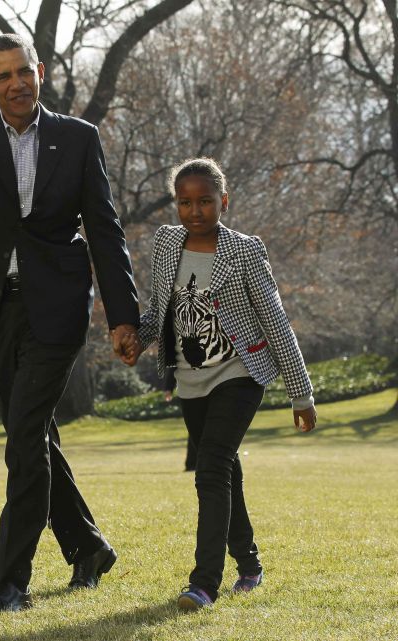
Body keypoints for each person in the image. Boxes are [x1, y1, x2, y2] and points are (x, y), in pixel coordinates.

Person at [0, 35, 141, 615]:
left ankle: (11, 582)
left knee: (23, 440)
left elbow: (105, 229)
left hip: (57, 306)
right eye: (1, 75)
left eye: (23, 72)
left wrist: (123, 315)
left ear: (39, 71)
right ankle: (88, 547)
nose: (15, 84)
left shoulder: (77, 138)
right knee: (32, 436)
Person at [131, 157, 317, 610]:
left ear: (224, 201)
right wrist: (135, 338)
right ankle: (249, 566)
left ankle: (204, 584)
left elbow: (274, 319)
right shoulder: (166, 243)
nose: (195, 211)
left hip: (240, 372)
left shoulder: (246, 250)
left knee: (211, 469)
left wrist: (301, 393)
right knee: (224, 468)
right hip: (190, 379)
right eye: (185, 202)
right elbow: (160, 311)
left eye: (205, 201)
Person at [162, 369, 196, 471]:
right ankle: (192, 464)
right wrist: (169, 387)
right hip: (191, 391)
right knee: (195, 429)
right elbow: (174, 363)